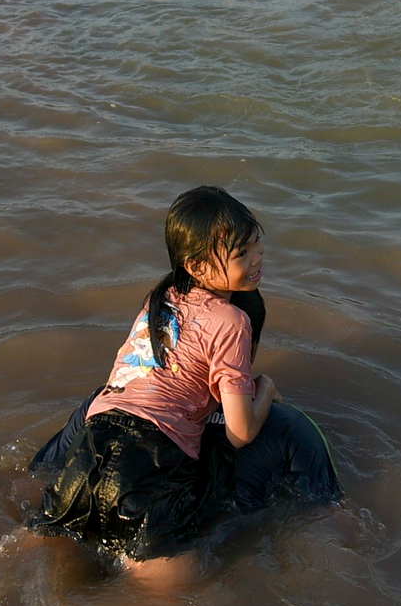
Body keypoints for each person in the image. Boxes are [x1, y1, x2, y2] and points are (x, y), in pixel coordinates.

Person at [30, 187, 339, 570]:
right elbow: (239, 433)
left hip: (94, 439)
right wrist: (265, 388)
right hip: (150, 459)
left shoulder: (161, 298)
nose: (257, 258)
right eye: (241, 253)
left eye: (258, 243)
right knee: (170, 588)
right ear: (196, 267)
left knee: (53, 553)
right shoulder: (233, 320)